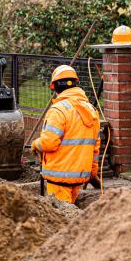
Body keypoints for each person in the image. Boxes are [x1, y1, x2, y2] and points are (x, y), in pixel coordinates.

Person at [31, 65, 101, 204]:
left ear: (54, 87)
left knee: (61, 219)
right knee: (71, 214)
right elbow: (95, 146)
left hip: (59, 178)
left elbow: (49, 143)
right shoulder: (91, 110)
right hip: (79, 177)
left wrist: (35, 144)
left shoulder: (58, 110)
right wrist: (92, 171)